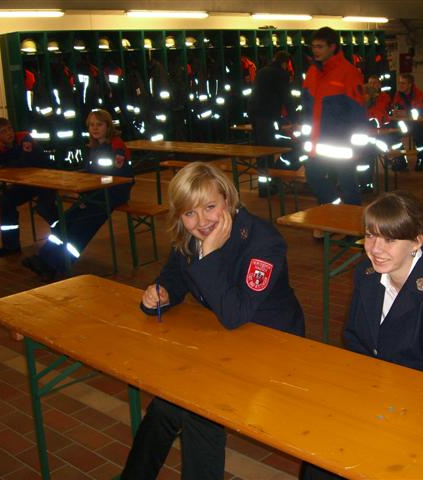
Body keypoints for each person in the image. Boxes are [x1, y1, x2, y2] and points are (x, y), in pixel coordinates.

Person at [121, 162, 304, 479]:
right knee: (166, 404)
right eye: (189, 213)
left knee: (200, 411)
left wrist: (209, 254)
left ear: (228, 200)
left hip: (273, 344)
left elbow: (235, 314)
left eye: (209, 207)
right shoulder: (189, 237)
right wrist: (162, 293)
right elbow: (175, 275)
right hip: (228, 342)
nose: (202, 221)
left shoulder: (263, 242)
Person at [300, 190, 423, 480]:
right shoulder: (367, 274)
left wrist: (388, 408)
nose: (375, 249)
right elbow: (355, 339)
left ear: (416, 242)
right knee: (317, 459)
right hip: (371, 396)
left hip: (420, 413)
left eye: (390, 239)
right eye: (370, 235)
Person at [22, 109, 134, 279]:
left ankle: (59, 265)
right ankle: (44, 259)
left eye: (99, 124)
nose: (95, 128)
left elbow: (114, 175)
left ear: (108, 126)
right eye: (91, 125)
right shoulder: (94, 147)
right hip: (95, 193)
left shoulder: (116, 146)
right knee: (65, 221)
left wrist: (88, 191)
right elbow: (92, 172)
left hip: (111, 194)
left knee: (80, 227)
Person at [301, 26, 367, 206]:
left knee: (348, 185)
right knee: (313, 177)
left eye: (320, 46)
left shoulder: (348, 72)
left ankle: (353, 221)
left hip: (342, 142)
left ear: (333, 47)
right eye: (313, 46)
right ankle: (334, 210)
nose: (315, 51)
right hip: (318, 142)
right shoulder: (312, 72)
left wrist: (358, 146)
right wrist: (305, 134)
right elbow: (306, 106)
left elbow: (358, 111)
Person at [0, 117, 58, 257]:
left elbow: (25, 162)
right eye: (3, 131)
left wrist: (6, 163)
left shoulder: (24, 138)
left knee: (44, 208)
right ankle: (11, 246)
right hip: (27, 184)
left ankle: (64, 234)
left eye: (10, 129)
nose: (9, 133)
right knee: (6, 200)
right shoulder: (1, 148)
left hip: (45, 181)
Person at [248, 50, 293, 159]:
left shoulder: (262, 71)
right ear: (284, 63)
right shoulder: (281, 74)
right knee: (268, 145)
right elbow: (286, 97)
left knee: (259, 145)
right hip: (267, 113)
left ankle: (261, 168)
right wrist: (293, 117)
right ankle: (268, 167)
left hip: (253, 110)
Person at [391, 73, 423, 171]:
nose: (400, 85)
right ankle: (400, 160)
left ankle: (421, 158)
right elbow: (395, 107)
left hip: (418, 123)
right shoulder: (398, 94)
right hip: (404, 124)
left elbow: (421, 112)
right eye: (399, 83)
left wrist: (406, 113)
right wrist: (395, 112)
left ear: (410, 84)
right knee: (392, 131)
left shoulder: (418, 94)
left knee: (418, 132)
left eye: (403, 83)